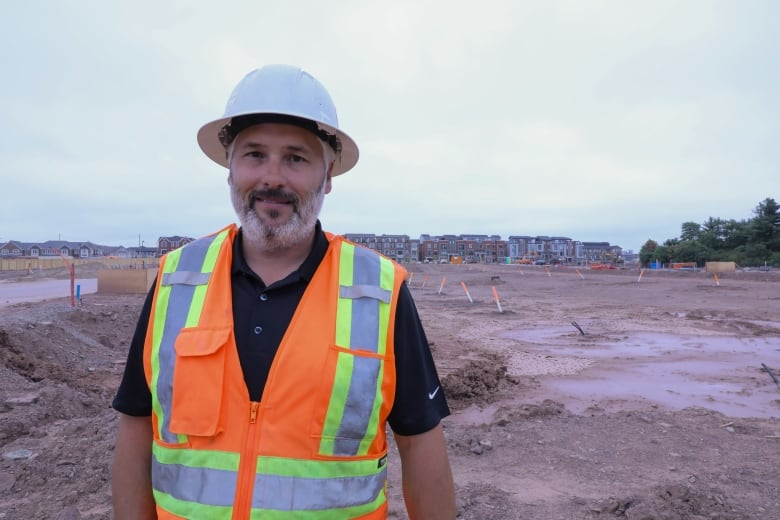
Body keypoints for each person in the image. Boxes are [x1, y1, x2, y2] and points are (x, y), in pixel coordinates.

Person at [111, 64, 456, 519]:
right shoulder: (176, 279)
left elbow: (420, 442)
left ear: (327, 176)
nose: (272, 178)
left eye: (295, 158)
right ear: (229, 168)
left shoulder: (379, 291)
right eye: (254, 154)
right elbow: (137, 427)